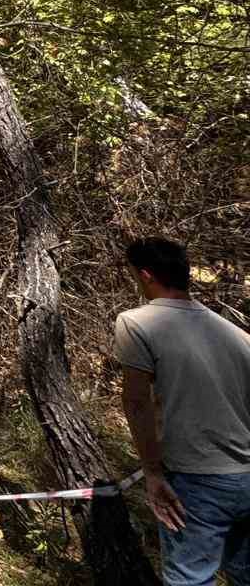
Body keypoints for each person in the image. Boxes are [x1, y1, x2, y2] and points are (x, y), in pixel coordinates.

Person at [115, 236, 250, 586]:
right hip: (246, 475)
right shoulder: (237, 334)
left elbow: (136, 401)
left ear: (145, 275)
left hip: (196, 479)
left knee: (189, 580)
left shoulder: (136, 322)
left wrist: (153, 474)